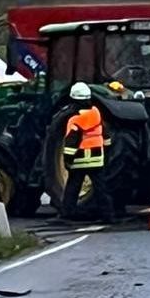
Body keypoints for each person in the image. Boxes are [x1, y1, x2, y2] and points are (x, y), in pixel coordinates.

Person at [61, 82, 113, 222]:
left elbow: (71, 143)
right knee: (101, 188)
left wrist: (67, 159)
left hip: (79, 160)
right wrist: (106, 153)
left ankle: (67, 213)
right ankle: (107, 214)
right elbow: (106, 137)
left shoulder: (75, 119)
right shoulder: (97, 116)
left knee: (73, 187)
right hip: (97, 159)